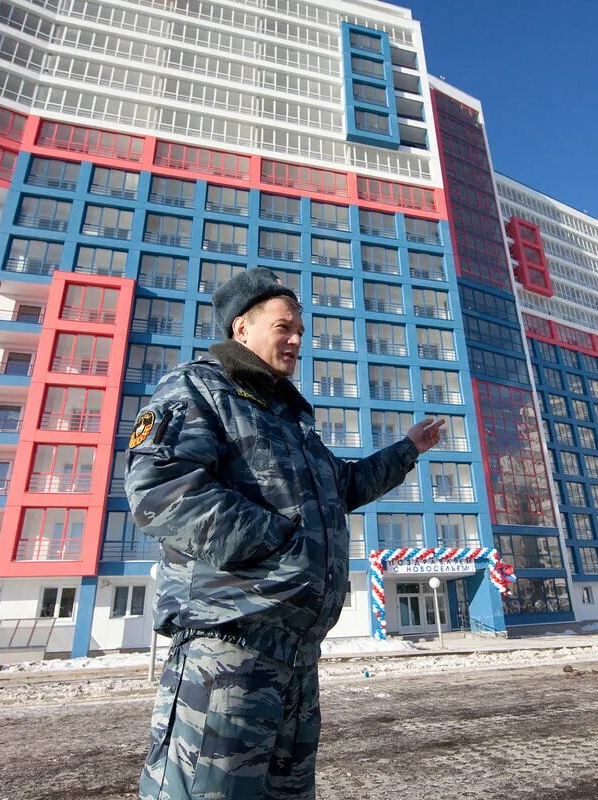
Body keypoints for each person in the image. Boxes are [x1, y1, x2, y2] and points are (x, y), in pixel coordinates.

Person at [125, 267, 444, 799]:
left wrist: (407, 449)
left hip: (295, 657)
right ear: (241, 329)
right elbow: (160, 491)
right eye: (284, 326)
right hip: (229, 648)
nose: (297, 338)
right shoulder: (198, 389)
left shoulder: (291, 422)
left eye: (301, 328)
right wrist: (279, 547)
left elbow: (342, 485)